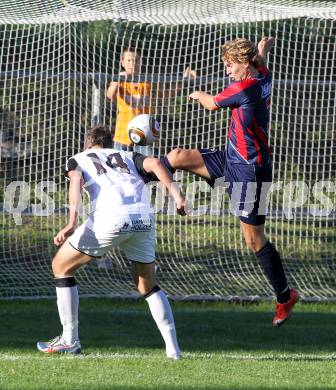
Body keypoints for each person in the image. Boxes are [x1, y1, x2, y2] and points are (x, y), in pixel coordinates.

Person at [161, 37, 299, 326]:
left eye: (229, 65)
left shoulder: (245, 86)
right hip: (231, 158)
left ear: (244, 63)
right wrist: (263, 51)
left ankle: (285, 298)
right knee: (176, 156)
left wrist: (197, 93)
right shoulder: (261, 75)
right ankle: (133, 178)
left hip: (251, 171)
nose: (227, 71)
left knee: (253, 239)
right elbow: (261, 64)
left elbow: (211, 104)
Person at [37, 125, 186, 358]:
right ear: (109, 144)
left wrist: (71, 222)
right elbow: (157, 164)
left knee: (61, 267)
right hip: (143, 218)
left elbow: (75, 181)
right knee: (147, 286)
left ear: (88, 143)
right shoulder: (127, 156)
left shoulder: (78, 158)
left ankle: (69, 339)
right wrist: (178, 196)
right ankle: (174, 350)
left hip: (111, 218)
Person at [106, 47, 196, 151]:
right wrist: (118, 78)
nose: (132, 63)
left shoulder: (147, 80)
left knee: (146, 167)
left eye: (136, 60)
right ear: (122, 63)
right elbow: (110, 95)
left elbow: (167, 94)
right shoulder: (119, 80)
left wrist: (183, 81)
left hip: (145, 134)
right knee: (120, 166)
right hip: (123, 134)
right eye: (129, 60)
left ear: (141, 62)